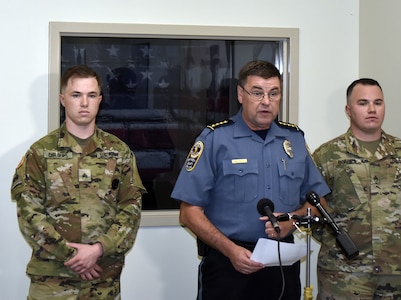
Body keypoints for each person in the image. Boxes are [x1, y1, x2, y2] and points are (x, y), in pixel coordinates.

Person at [171, 60, 330, 300]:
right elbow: (189, 212)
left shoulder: (293, 139)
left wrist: (293, 222)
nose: (266, 101)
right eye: (257, 92)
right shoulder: (216, 139)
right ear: (240, 94)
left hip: (281, 264)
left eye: (273, 93)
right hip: (227, 264)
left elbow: (319, 204)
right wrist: (230, 250)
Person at [11, 65, 146, 299]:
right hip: (52, 283)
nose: (84, 103)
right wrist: (70, 255)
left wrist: (99, 249)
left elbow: (131, 210)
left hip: (102, 281)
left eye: (91, 95)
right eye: (76, 95)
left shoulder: (119, 152)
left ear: (100, 99)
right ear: (63, 99)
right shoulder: (41, 153)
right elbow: (29, 214)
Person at [312, 78, 401, 299]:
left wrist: (390, 223)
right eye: (363, 103)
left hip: (394, 270)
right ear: (348, 110)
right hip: (343, 273)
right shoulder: (326, 156)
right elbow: (312, 207)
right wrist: (337, 236)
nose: (371, 109)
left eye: (378, 102)